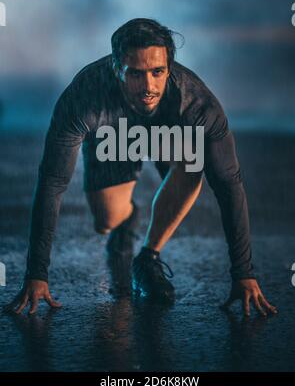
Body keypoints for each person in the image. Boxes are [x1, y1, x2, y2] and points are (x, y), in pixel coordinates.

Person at [5, 18, 277, 316]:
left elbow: (228, 184)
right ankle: (126, 213)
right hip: (113, 140)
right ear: (115, 69)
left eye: (157, 72)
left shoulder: (197, 103)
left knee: (193, 158)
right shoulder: (84, 96)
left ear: (169, 69)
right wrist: (36, 274)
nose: (148, 86)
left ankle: (147, 257)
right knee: (108, 221)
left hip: (168, 139)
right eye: (135, 74)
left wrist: (243, 274)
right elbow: (53, 182)